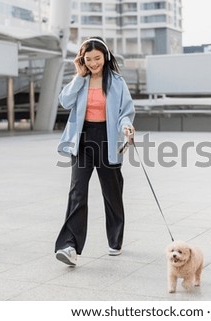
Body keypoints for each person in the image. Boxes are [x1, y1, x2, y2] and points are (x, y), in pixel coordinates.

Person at [55, 36, 135, 266]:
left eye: (97, 58)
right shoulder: (81, 80)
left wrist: (127, 126)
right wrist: (79, 76)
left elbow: (125, 112)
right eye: (88, 59)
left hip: (108, 139)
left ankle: (115, 240)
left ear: (106, 56)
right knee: (77, 192)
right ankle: (69, 246)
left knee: (112, 193)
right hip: (82, 140)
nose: (93, 63)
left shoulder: (117, 82)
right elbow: (65, 102)